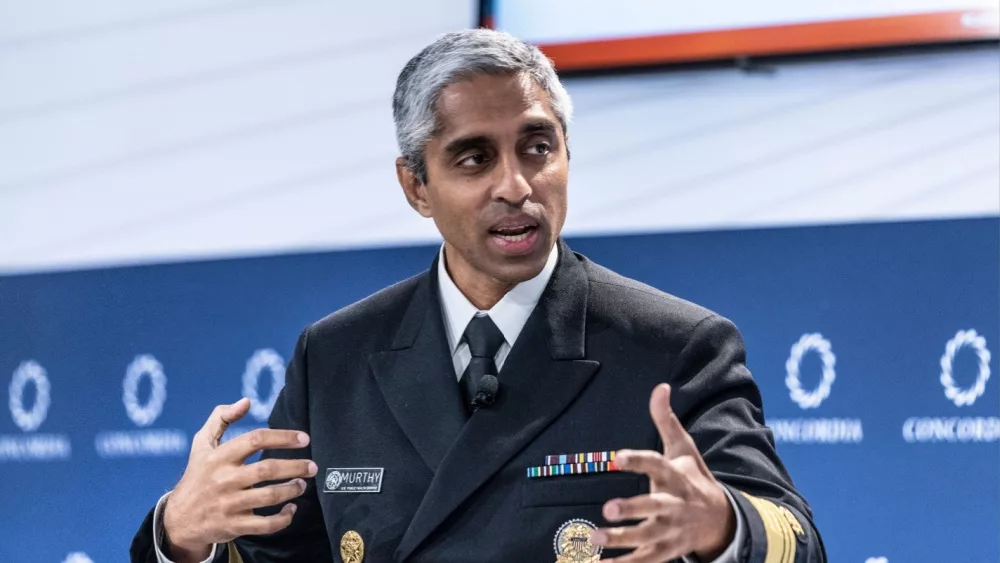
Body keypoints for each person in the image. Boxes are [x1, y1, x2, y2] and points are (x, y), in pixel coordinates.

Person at [130, 28, 825, 563]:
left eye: (536, 147)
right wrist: (180, 534)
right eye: (474, 157)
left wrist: (723, 524)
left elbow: (799, 540)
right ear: (416, 187)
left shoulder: (674, 347)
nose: (516, 185)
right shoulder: (335, 357)